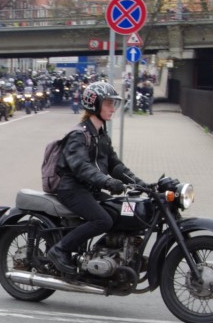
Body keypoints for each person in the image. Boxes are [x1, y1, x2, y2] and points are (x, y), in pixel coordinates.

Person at [46, 81, 144, 276]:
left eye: (113, 104)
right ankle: (59, 250)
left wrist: (138, 182)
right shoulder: (78, 135)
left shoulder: (101, 135)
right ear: (94, 104)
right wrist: (107, 182)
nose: (112, 109)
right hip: (72, 189)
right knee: (102, 220)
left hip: (90, 189)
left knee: (118, 213)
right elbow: (81, 167)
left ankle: (103, 255)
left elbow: (115, 166)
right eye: (108, 104)